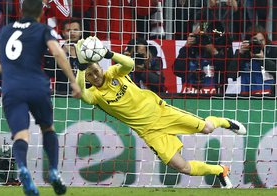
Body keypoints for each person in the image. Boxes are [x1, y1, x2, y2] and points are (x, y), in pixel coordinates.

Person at [75, 36, 247, 189]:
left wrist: (107, 53)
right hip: (149, 131)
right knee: (182, 167)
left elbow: (130, 64)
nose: (95, 77)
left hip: (161, 112)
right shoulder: (95, 95)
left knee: (207, 128)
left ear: (102, 69)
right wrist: (81, 68)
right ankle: (219, 171)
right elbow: (81, 92)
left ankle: (224, 122)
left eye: (96, 71)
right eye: (90, 75)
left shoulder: (113, 73)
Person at [0, 0, 81, 195]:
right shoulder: (41, 29)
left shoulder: (6, 30)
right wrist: (73, 81)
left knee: (20, 134)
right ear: (40, 14)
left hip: (12, 89)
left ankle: (23, 169)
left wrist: (7, 73)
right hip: (37, 86)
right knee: (47, 128)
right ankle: (53, 171)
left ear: (21, 10)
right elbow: (58, 53)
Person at [173, 22, 233, 94]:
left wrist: (213, 50)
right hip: (190, 95)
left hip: (214, 96)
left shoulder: (221, 49)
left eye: (204, 35)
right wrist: (187, 46)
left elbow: (229, 71)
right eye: (199, 35)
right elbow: (177, 71)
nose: (202, 38)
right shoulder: (189, 50)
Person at [229, 25, 277, 95]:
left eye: (261, 41)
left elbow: (275, 71)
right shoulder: (244, 53)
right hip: (246, 95)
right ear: (248, 42)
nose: (258, 44)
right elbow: (231, 74)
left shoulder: (272, 51)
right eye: (255, 41)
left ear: (266, 40)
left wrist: (263, 59)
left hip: (268, 96)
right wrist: (239, 54)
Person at [45, 18, 82, 94]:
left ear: (81, 32)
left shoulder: (88, 53)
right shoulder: (56, 53)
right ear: (63, 33)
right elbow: (50, 74)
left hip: (85, 95)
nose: (72, 33)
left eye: (75, 30)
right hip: (62, 96)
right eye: (68, 30)